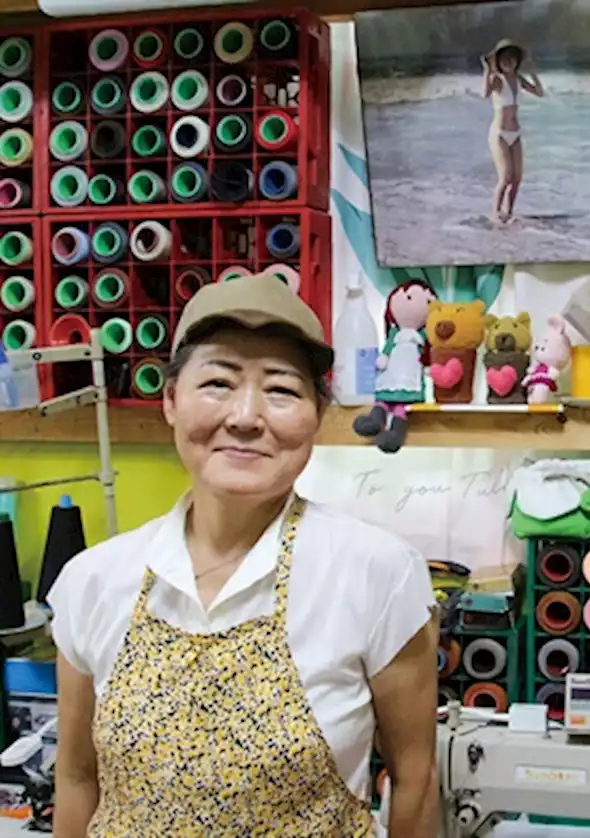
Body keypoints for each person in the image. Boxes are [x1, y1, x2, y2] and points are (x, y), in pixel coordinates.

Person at [48, 273, 439, 837]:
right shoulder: (92, 581)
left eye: (281, 389)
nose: (246, 417)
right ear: (170, 402)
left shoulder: (379, 575)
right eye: (218, 383)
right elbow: (79, 778)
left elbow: (416, 779)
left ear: (317, 414)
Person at [481, 38, 545, 223]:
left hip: (515, 134)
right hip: (499, 134)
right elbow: (484, 94)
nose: (508, 63)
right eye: (504, 59)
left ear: (517, 61)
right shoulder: (497, 79)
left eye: (512, 59)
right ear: (499, 62)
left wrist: (532, 69)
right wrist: (487, 71)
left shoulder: (518, 79)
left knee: (517, 179)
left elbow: (539, 92)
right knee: (505, 177)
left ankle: (508, 213)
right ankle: (495, 214)